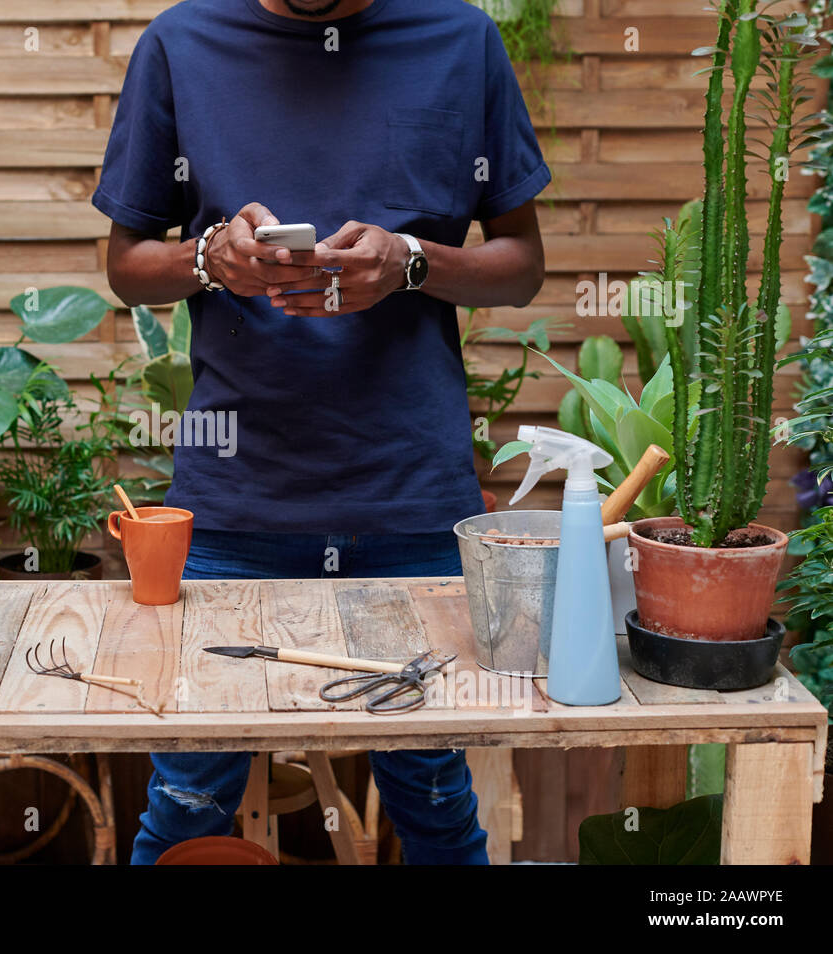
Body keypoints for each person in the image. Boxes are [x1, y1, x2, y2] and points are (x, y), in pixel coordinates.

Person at [92, 0, 550, 865]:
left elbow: (521, 264)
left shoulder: (460, 40)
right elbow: (125, 265)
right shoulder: (182, 44)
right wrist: (207, 259)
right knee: (186, 805)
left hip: (410, 500)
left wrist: (411, 262)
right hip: (235, 507)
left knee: (437, 809)